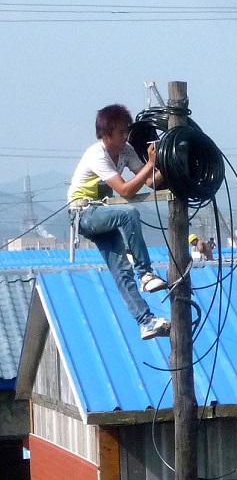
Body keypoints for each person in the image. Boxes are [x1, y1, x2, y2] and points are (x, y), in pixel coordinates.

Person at [68, 104, 170, 340]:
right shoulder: (97, 155)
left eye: (127, 130)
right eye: (121, 132)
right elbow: (125, 190)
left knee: (121, 271)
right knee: (128, 213)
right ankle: (145, 273)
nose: (126, 136)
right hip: (83, 214)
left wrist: (166, 163)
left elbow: (149, 181)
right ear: (106, 135)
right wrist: (150, 164)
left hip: (103, 214)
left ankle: (146, 322)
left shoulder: (126, 151)